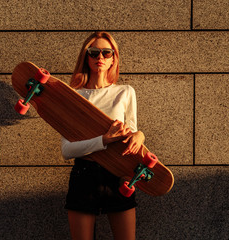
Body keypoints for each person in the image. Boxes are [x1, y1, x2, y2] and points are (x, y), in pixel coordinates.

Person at [62, 31, 145, 240]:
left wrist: (140, 136)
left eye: (106, 53)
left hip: (118, 174)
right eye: (94, 52)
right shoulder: (73, 96)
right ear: (86, 57)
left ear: (113, 59)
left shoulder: (125, 92)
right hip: (84, 174)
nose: (100, 57)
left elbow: (132, 133)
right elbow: (66, 150)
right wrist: (104, 140)